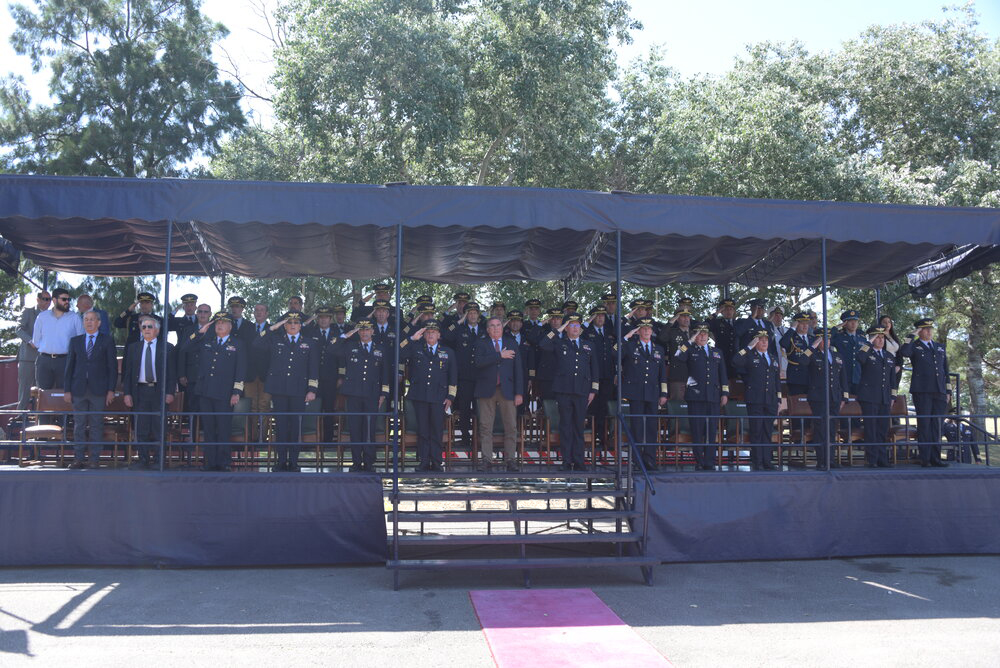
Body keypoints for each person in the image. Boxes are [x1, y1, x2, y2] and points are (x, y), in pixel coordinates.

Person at [254, 311, 319, 472]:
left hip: (299, 390)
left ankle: (294, 462)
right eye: (289, 323)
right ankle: (281, 461)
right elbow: (256, 343)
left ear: (300, 326)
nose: (292, 325)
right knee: (281, 427)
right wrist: (273, 328)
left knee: (296, 427)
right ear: (284, 325)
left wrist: (312, 389)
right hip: (280, 390)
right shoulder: (276, 340)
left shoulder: (309, 343)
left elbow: (313, 368)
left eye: (296, 323)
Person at [183, 312, 247, 471]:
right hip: (205, 391)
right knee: (209, 429)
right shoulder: (206, 341)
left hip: (225, 394)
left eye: (224, 323)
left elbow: (241, 370)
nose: (220, 325)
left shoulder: (237, 344)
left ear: (230, 327)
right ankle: (210, 462)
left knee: (224, 428)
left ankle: (224, 462)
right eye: (217, 323)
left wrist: (236, 392)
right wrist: (200, 332)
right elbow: (185, 347)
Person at [538, 314, 600, 471]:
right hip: (564, 391)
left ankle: (579, 461)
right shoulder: (559, 342)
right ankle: (566, 461)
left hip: (582, 391)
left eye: (577, 325)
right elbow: (544, 344)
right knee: (565, 426)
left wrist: (593, 390)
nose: (575, 328)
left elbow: (595, 369)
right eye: (571, 325)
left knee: (578, 426)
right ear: (566, 328)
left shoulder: (588, 345)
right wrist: (558, 329)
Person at [333, 320, 391, 472]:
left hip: (372, 394)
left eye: (367, 330)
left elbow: (385, 373)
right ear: (358, 332)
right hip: (353, 393)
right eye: (361, 330)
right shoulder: (350, 346)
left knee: (369, 429)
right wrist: (346, 335)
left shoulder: (381, 349)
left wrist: (384, 393)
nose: (364, 333)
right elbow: (332, 348)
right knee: (355, 429)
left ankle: (369, 462)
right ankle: (357, 462)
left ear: (373, 331)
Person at [399, 320, 457, 471]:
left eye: (433, 332)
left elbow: (453, 376)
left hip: (439, 397)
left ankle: (437, 462)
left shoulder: (448, 352)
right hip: (420, 396)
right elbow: (399, 351)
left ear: (439, 335)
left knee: (436, 430)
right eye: (428, 332)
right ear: (424, 335)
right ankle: (424, 461)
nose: (431, 334)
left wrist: (450, 397)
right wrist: (412, 339)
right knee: (423, 431)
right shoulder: (416, 348)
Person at [63, 310, 117, 469]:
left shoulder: (107, 340)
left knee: (96, 425)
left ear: (99, 322)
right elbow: (69, 367)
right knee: (79, 425)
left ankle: (94, 459)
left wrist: (111, 390)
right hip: (78, 389)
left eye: (92, 319)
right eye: (86, 319)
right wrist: (67, 389)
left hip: (99, 390)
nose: (89, 322)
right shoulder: (75, 341)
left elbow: (112, 368)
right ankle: (78, 458)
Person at [122, 315, 177, 470]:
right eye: (144, 326)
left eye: (150, 327)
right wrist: (127, 393)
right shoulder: (134, 348)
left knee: (159, 428)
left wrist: (171, 392)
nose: (146, 329)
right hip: (139, 391)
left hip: (160, 391)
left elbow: (172, 373)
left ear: (157, 330)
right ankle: (143, 459)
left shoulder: (167, 347)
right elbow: (128, 373)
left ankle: (159, 460)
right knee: (141, 428)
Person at [674, 324, 729, 471]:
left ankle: (709, 461)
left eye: (705, 333)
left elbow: (723, 374)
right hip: (696, 396)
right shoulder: (690, 350)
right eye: (699, 334)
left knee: (711, 431)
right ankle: (699, 460)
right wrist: (689, 340)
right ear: (695, 336)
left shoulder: (716, 352)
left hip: (713, 396)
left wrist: (724, 393)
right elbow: (678, 356)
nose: (703, 336)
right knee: (697, 430)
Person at [898, 318, 951, 467]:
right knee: (925, 424)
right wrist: (911, 335)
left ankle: (936, 458)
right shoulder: (914, 346)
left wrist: (948, 391)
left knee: (937, 425)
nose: (929, 331)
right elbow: (904, 352)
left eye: (930, 329)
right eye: (925, 329)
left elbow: (945, 370)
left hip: (939, 391)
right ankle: (925, 458)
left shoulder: (940, 347)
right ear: (919, 331)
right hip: (922, 391)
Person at [474, 316, 524, 471]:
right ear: (488, 329)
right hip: (486, 390)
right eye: (492, 326)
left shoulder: (511, 343)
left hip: (507, 390)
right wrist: (499, 356)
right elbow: (478, 363)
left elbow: (518, 370)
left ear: (502, 328)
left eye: (498, 325)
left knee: (511, 426)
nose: (495, 328)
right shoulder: (481, 343)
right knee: (485, 427)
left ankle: (510, 460)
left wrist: (519, 393)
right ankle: (487, 460)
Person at [620, 318, 668, 471]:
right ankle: (637, 460)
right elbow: (615, 352)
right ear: (638, 331)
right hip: (636, 393)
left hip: (653, 393)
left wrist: (663, 393)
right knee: (637, 428)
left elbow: (662, 375)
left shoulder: (658, 349)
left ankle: (650, 459)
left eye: (649, 328)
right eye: (643, 328)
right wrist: (626, 337)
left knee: (651, 428)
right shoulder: (630, 346)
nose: (647, 331)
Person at [732, 329, 781, 470]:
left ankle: (767, 460)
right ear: (755, 342)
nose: (764, 341)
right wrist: (748, 347)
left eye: (766, 339)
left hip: (770, 400)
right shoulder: (749, 356)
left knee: (767, 431)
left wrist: (778, 398)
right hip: (755, 400)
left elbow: (776, 380)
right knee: (756, 431)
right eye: (760, 339)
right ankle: (757, 461)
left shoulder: (772, 358)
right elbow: (735, 361)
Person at [805, 327, 850, 469]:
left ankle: (830, 459)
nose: (826, 341)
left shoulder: (837, 356)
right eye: (823, 339)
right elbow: (801, 360)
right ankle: (821, 460)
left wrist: (844, 397)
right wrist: (812, 345)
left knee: (832, 429)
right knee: (820, 429)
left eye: (828, 338)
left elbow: (843, 379)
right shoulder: (812, 354)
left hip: (834, 397)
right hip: (818, 397)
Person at [444, 301, 485, 449]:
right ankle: (466, 438)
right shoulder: (459, 329)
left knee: (482, 409)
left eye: (475, 313)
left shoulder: (484, 330)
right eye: (469, 313)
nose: (472, 316)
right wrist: (459, 321)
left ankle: (481, 438)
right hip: (465, 377)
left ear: (478, 315)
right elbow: (446, 335)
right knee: (464, 409)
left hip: (481, 377)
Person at [856, 326, 896, 468]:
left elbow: (893, 380)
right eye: (877, 337)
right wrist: (869, 342)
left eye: (882, 337)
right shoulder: (867, 352)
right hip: (869, 397)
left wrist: (892, 397)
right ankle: (872, 459)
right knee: (871, 429)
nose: (880, 340)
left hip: (884, 397)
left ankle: (882, 458)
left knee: (882, 429)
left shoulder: (889, 356)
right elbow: (859, 357)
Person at [31, 288, 84, 390]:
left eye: (69, 299)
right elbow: (36, 341)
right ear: (54, 300)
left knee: (65, 394)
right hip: (44, 361)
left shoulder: (74, 317)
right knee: (43, 395)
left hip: (66, 361)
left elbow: (81, 341)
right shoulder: (42, 317)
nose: (67, 302)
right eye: (64, 299)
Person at [584, 305, 616, 446]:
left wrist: (616, 372)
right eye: (597, 315)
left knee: (604, 406)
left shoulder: (609, 332)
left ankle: (602, 435)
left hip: (607, 374)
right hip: (592, 375)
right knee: (592, 405)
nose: (600, 318)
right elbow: (577, 332)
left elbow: (615, 352)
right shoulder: (587, 332)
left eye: (602, 315)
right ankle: (590, 434)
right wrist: (587, 321)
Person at [16, 290, 49, 409]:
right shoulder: (28, 311)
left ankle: (39, 418)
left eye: (49, 300)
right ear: (38, 300)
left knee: (42, 390)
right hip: (28, 358)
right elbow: (19, 329)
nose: (48, 302)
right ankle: (20, 415)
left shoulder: (51, 315)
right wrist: (31, 341)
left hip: (45, 358)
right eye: (45, 299)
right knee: (25, 389)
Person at [245, 304, 272, 426]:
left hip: (266, 375)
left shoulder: (272, 329)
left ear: (267, 313)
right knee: (251, 407)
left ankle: (262, 439)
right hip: (249, 375)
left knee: (264, 406)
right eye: (256, 310)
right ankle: (252, 439)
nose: (259, 312)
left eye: (262, 310)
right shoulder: (247, 328)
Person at [659, 307, 693, 399]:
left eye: (688, 316)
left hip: (694, 374)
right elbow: (662, 338)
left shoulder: (695, 333)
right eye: (682, 316)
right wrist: (671, 322)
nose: (686, 319)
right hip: (678, 374)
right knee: (678, 403)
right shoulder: (673, 332)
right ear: (677, 318)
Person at [780, 312, 814, 395]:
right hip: (796, 377)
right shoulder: (791, 337)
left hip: (811, 377)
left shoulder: (812, 339)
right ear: (797, 324)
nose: (805, 326)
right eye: (802, 323)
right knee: (796, 404)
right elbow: (783, 343)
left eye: (807, 323)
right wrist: (792, 328)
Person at [831, 310, 864, 395]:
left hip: (858, 376)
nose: (853, 323)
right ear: (845, 323)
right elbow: (827, 338)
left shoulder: (862, 338)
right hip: (843, 375)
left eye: (855, 321)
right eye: (850, 321)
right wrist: (837, 327)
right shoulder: (839, 337)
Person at [707, 298, 738, 380]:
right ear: (722, 311)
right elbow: (706, 324)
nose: (728, 311)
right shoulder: (717, 323)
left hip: (736, 358)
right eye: (726, 309)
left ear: (734, 311)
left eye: (731, 309)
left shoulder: (739, 323)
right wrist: (716, 313)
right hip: (721, 357)